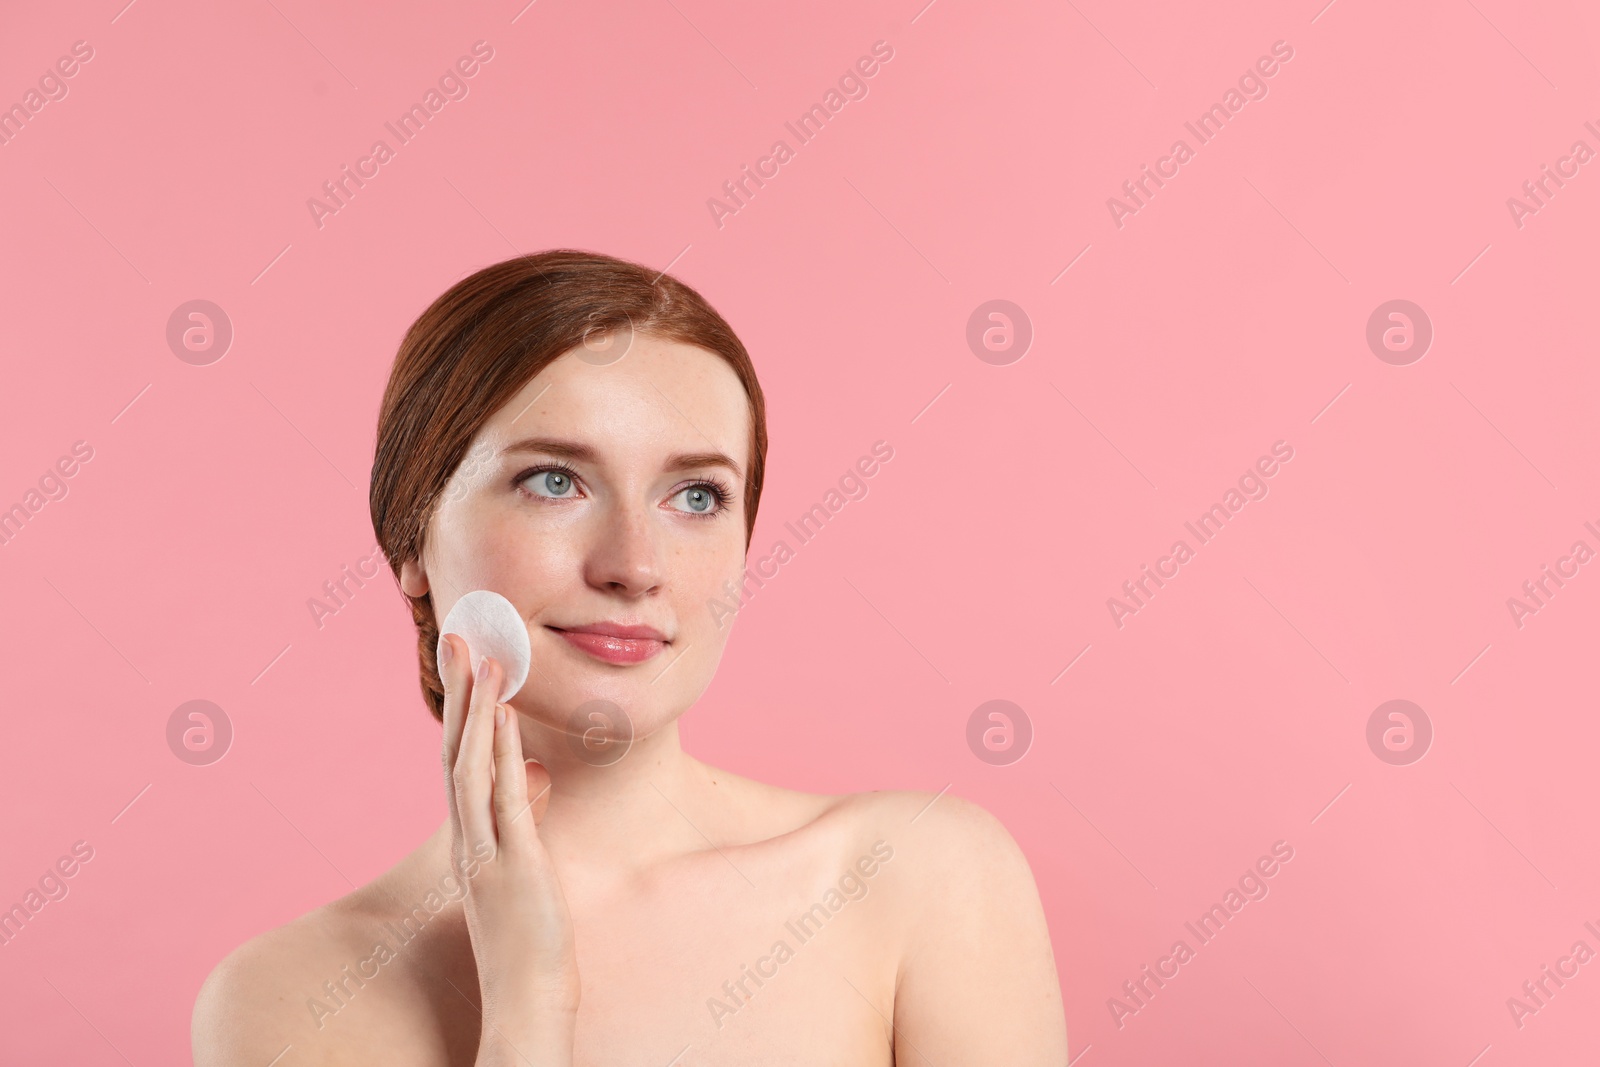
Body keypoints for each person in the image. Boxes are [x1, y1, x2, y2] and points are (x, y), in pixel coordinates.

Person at [191, 249, 1068, 1065]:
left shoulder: (921, 880)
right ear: (411, 540)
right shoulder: (286, 999)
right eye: (554, 480)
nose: (635, 566)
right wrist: (529, 1005)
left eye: (696, 495)